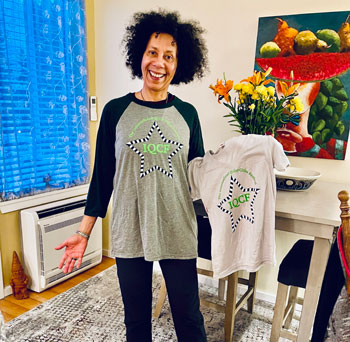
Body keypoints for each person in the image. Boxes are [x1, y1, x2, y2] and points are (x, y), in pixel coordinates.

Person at [55, 9, 208, 342]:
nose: (159, 62)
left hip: (178, 229)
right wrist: (83, 233)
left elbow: (199, 176)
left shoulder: (187, 114)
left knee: (189, 319)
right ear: (139, 55)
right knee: (136, 321)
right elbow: (103, 178)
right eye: (153, 52)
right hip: (130, 229)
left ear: (178, 64)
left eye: (169, 56)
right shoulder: (115, 112)